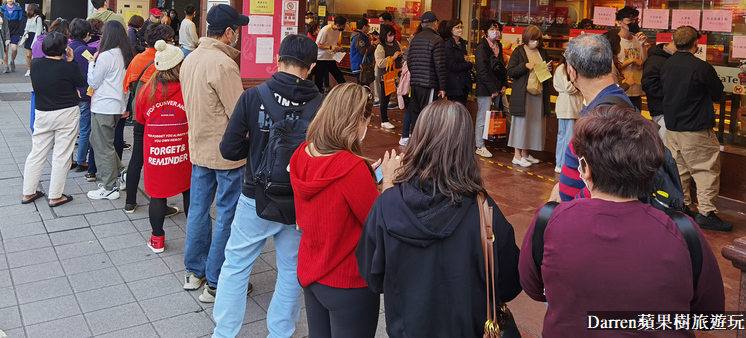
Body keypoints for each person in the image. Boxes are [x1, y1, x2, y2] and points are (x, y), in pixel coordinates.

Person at [519, 106, 725, 338]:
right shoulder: (684, 232)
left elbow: (533, 287)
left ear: (585, 169)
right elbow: (708, 316)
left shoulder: (549, 221)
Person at [357, 100, 522, 337]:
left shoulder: (387, 204)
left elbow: (372, 276)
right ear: (465, 146)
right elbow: (510, 283)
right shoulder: (484, 210)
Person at [212, 34, 322, 337]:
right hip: (300, 202)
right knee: (290, 270)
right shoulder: (322, 104)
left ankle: (224, 333)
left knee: (236, 266)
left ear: (279, 59)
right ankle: (280, 332)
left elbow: (229, 150)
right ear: (311, 67)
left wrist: (257, 146)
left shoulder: (254, 96)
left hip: (255, 197)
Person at [291, 83, 396, 338]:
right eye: (365, 123)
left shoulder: (301, 153)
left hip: (312, 269)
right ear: (355, 122)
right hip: (348, 280)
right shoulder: (351, 168)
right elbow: (379, 224)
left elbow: (329, 194)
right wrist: (390, 182)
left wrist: (370, 176)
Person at [180, 3, 248, 303]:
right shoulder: (223, 64)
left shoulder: (190, 58)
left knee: (198, 209)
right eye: (237, 30)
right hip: (227, 152)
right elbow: (239, 114)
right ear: (229, 32)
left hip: (198, 146)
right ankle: (217, 280)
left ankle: (194, 272)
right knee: (226, 213)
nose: (238, 36)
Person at [660, 25, 731, 232]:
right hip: (696, 128)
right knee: (705, 170)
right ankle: (706, 213)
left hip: (672, 127)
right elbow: (717, 93)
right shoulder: (701, 68)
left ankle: (683, 206)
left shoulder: (667, 64)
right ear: (696, 44)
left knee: (679, 168)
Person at [556, 33, 632, 202]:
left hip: (586, 213)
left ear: (572, 72)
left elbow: (607, 183)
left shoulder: (602, 118)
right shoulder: (616, 103)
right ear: (611, 63)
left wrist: (573, 204)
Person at [135, 40, 191, 253]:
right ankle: (193, 236)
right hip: (183, 152)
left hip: (156, 153)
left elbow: (140, 119)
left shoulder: (146, 91)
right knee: (188, 191)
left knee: (157, 195)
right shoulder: (187, 89)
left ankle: (157, 239)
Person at [20, 32, 87, 207]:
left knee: (37, 152)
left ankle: (28, 192)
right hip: (66, 113)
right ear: (65, 49)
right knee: (62, 154)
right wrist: (72, 61)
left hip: (43, 112)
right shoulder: (68, 67)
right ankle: (55, 195)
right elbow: (81, 81)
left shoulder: (35, 64)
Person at [123, 23, 177, 214]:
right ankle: (161, 204)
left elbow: (128, 85)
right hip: (162, 116)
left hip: (140, 113)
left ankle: (130, 201)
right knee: (163, 160)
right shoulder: (169, 61)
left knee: (137, 158)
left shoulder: (138, 59)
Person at [86, 20, 134, 200]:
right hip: (118, 105)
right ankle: (122, 173)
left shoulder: (105, 56)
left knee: (102, 145)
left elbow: (94, 82)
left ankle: (109, 187)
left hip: (104, 106)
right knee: (101, 142)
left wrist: (91, 65)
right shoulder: (127, 54)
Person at [506, 25, 551, 167]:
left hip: (538, 92)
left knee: (532, 123)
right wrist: (525, 66)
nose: (535, 43)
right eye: (533, 39)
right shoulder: (518, 52)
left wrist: (549, 69)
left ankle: (525, 153)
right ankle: (517, 155)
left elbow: (546, 73)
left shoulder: (542, 52)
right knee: (521, 123)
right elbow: (511, 71)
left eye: (538, 40)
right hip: (523, 94)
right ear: (526, 38)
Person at [405, 11, 446, 127]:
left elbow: (410, 62)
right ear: (435, 24)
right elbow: (440, 65)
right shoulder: (437, 40)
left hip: (415, 83)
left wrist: (416, 74)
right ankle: (424, 141)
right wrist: (442, 87)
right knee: (427, 114)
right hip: (429, 84)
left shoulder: (414, 39)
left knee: (416, 113)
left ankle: (416, 139)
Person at [474, 20, 508, 159]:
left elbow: (501, 68)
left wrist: (504, 84)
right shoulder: (481, 48)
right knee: (483, 116)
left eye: (497, 28)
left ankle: (499, 140)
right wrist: (492, 89)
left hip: (499, 88)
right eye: (492, 28)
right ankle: (479, 145)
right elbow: (482, 71)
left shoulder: (498, 46)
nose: (496, 31)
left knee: (506, 112)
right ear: (486, 31)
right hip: (486, 88)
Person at [69, 19, 97, 174]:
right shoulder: (89, 52)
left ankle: (69, 160)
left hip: (68, 95)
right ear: (87, 34)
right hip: (86, 95)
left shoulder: (64, 49)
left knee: (69, 129)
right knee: (85, 129)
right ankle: (81, 161)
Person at [552, 55, 583, 174]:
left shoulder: (569, 68)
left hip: (573, 107)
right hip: (566, 107)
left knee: (568, 137)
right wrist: (578, 83)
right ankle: (561, 163)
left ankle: (563, 163)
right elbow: (568, 87)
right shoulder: (561, 68)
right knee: (565, 137)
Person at [642, 37, 676, 143]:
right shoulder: (656, 59)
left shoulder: (672, 58)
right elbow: (648, 85)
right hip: (662, 111)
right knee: (664, 148)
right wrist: (672, 95)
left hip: (670, 110)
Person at [615, 5, 648, 111]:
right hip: (621, 90)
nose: (633, 23)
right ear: (620, 23)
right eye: (630, 20)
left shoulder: (637, 40)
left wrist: (642, 45)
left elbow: (645, 62)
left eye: (635, 20)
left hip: (637, 90)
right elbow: (611, 66)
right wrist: (631, 60)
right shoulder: (614, 41)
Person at [374, 24, 402, 130]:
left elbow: (399, 54)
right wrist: (393, 58)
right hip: (385, 76)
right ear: (384, 35)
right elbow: (380, 63)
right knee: (385, 99)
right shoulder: (380, 47)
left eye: (393, 35)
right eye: (390, 35)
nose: (392, 38)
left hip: (397, 74)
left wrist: (400, 55)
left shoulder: (397, 43)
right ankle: (384, 120)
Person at [441, 18, 472, 105]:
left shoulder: (462, 44)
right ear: (451, 29)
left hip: (464, 83)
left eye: (461, 27)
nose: (460, 30)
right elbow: (452, 65)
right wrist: (468, 64)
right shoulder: (448, 46)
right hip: (454, 84)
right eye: (457, 27)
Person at [314, 15, 347, 92]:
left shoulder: (338, 31)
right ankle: (317, 95)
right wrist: (331, 47)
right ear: (338, 25)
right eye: (344, 25)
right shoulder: (325, 30)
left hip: (330, 57)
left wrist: (337, 48)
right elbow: (318, 45)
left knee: (338, 75)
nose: (345, 27)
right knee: (319, 78)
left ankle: (346, 90)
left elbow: (333, 43)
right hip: (321, 58)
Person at [0, 0, 25, 73]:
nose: (10, 0)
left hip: (15, 30)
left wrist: (21, 33)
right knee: (6, 49)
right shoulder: (2, 9)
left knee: (14, 48)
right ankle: (6, 65)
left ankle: (12, 61)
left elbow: (21, 21)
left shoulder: (18, 9)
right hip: (5, 30)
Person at [349, 17, 376, 84]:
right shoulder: (358, 37)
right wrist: (374, 45)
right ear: (364, 26)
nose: (369, 27)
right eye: (368, 25)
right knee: (362, 87)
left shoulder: (363, 36)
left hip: (363, 66)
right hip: (360, 67)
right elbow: (364, 51)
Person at [22, 4, 43, 77]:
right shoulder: (28, 18)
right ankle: (29, 69)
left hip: (35, 37)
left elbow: (38, 30)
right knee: (28, 55)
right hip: (28, 37)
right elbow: (26, 29)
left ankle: (35, 69)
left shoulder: (38, 18)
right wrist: (22, 40)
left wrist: (35, 41)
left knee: (35, 55)